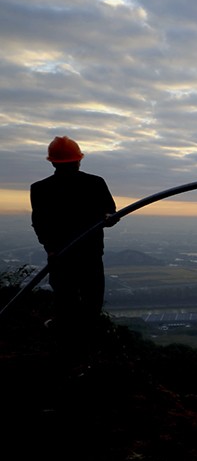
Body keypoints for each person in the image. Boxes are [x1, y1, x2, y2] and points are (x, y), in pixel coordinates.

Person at [30, 136, 117, 333]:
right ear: (78, 159)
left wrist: (50, 249)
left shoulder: (40, 188)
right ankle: (78, 339)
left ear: (52, 161)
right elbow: (111, 213)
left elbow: (110, 213)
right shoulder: (94, 183)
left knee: (69, 299)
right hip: (80, 255)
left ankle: (71, 337)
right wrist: (51, 249)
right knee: (85, 301)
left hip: (68, 255)